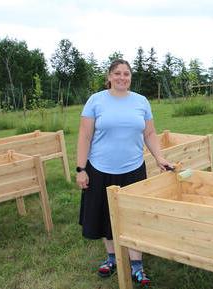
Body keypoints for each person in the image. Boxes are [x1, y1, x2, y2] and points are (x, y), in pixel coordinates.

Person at [76, 59, 172, 286]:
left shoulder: (141, 101)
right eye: (117, 73)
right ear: (109, 76)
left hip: (133, 170)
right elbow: (84, 136)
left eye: (126, 74)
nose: (122, 77)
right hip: (99, 169)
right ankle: (112, 258)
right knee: (104, 215)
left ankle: (137, 265)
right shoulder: (95, 101)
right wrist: (81, 169)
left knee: (134, 217)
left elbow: (149, 134)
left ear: (130, 77)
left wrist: (160, 158)